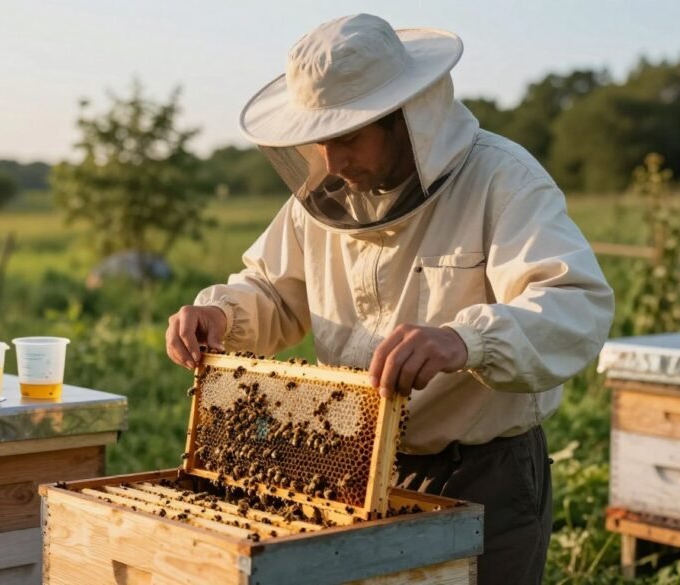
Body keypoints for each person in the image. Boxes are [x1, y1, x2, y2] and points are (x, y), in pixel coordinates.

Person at [165, 13, 614, 585]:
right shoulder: (323, 202)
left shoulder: (503, 181)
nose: (332, 161)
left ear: (405, 119)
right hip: (350, 467)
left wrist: (465, 340)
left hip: (481, 474)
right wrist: (220, 312)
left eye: (348, 138)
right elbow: (274, 293)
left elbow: (574, 304)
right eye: (320, 140)